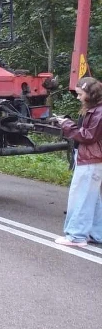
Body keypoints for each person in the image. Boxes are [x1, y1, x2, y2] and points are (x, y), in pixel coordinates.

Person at [52, 77, 102, 247]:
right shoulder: (96, 109)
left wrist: (67, 125)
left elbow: (88, 136)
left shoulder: (98, 112)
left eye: (80, 94)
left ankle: (76, 236)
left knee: (81, 197)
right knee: (93, 199)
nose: (78, 97)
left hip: (90, 159)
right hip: (92, 159)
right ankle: (96, 233)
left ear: (90, 94)